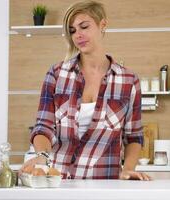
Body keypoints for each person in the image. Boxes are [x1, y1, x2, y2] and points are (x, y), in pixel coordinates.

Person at [19, 0, 150, 180]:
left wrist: (127, 169)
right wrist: (43, 156)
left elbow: (133, 137)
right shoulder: (57, 74)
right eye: (73, 31)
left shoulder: (128, 80)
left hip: (104, 185)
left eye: (84, 27)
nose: (78, 35)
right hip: (58, 183)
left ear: (102, 25)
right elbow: (43, 127)